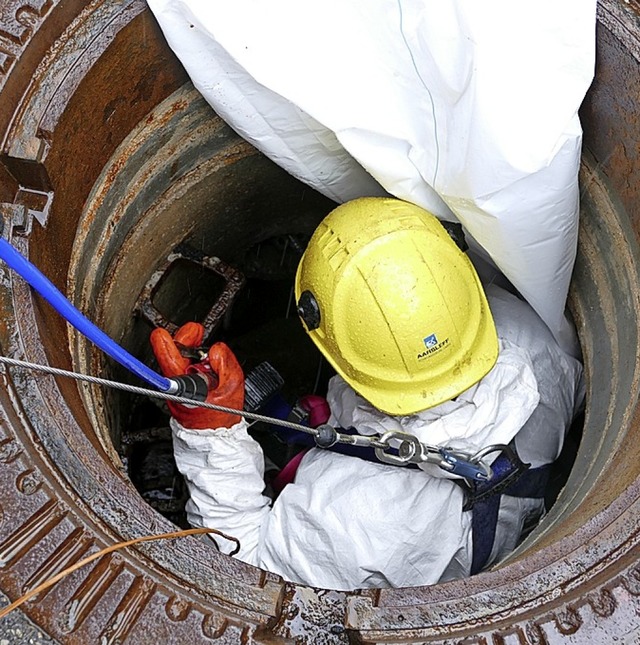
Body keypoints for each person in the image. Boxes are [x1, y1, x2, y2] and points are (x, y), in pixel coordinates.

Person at [150, 197, 584, 591]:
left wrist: (210, 435)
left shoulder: (354, 521)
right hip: (498, 526)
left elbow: (243, 568)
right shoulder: (532, 337)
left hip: (402, 547)